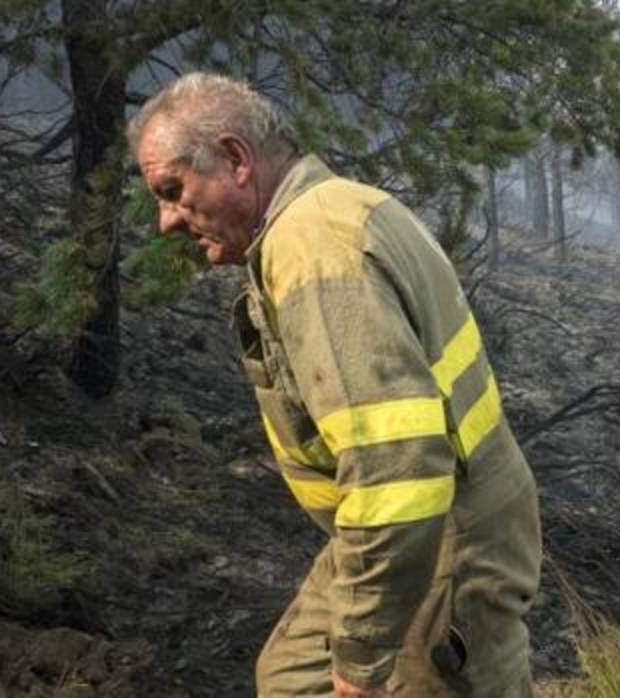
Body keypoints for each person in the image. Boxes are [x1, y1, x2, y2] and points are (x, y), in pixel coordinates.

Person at [128, 72, 542, 698]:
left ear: (236, 160)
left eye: (173, 191)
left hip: (439, 536)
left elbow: (397, 470)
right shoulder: (334, 209)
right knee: (291, 678)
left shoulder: (314, 250)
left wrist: (363, 656)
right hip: (404, 522)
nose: (167, 222)